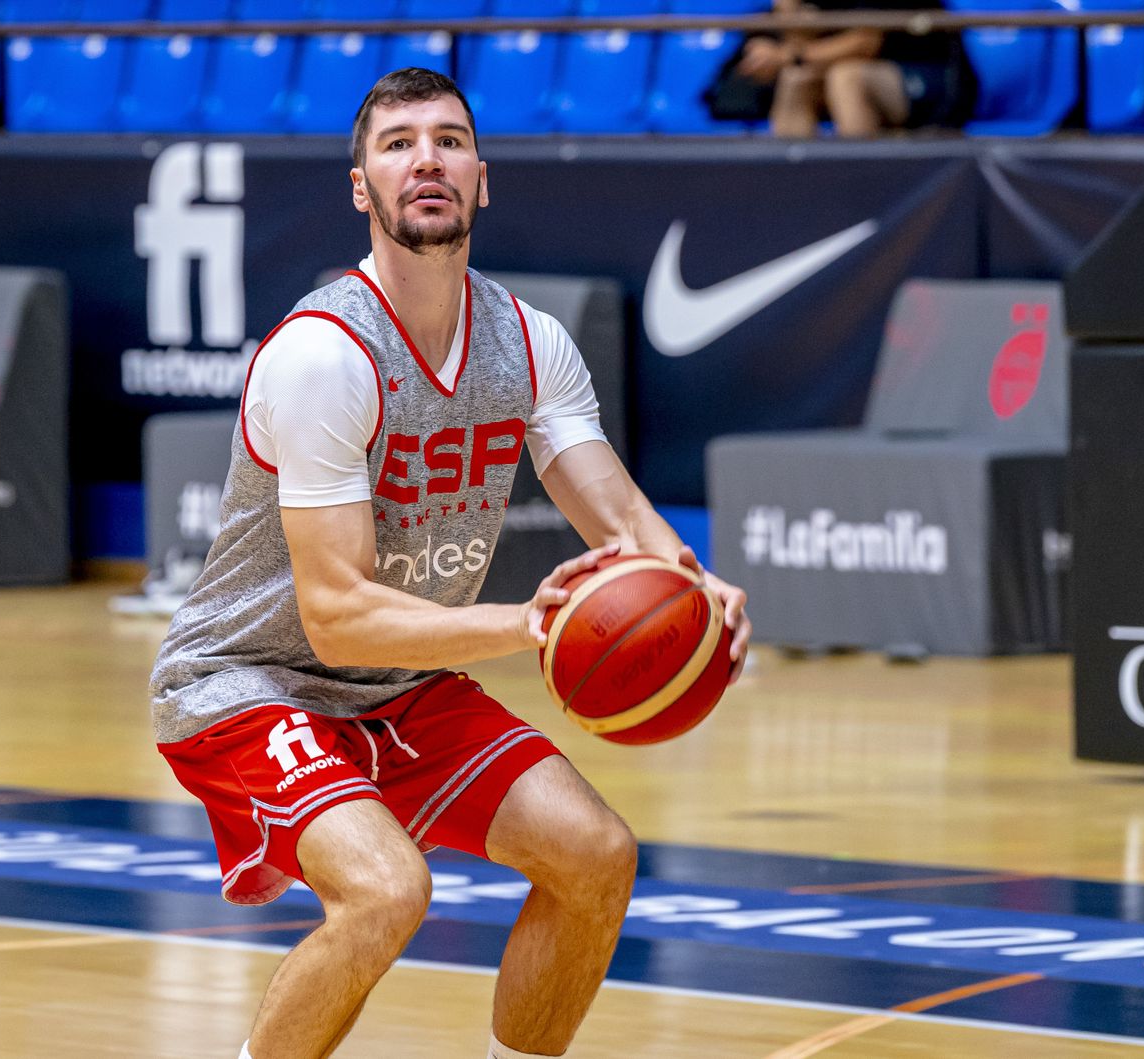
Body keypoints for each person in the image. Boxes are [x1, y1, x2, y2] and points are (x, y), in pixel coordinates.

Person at [149, 67, 751, 1059]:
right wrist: (530, 624)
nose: (425, 159)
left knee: (596, 854)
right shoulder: (324, 354)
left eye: (449, 140)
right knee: (387, 891)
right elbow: (336, 615)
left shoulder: (530, 342)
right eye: (397, 144)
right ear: (362, 188)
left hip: (400, 683)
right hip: (251, 681)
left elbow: (618, 516)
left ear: (482, 177)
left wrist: (693, 584)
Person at [737, 0, 978, 138]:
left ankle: (859, 190)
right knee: (796, 79)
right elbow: (801, 47)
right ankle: (793, 192)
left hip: (932, 78)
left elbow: (866, 42)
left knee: (846, 77)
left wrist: (786, 55)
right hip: (853, 76)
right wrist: (787, 10)